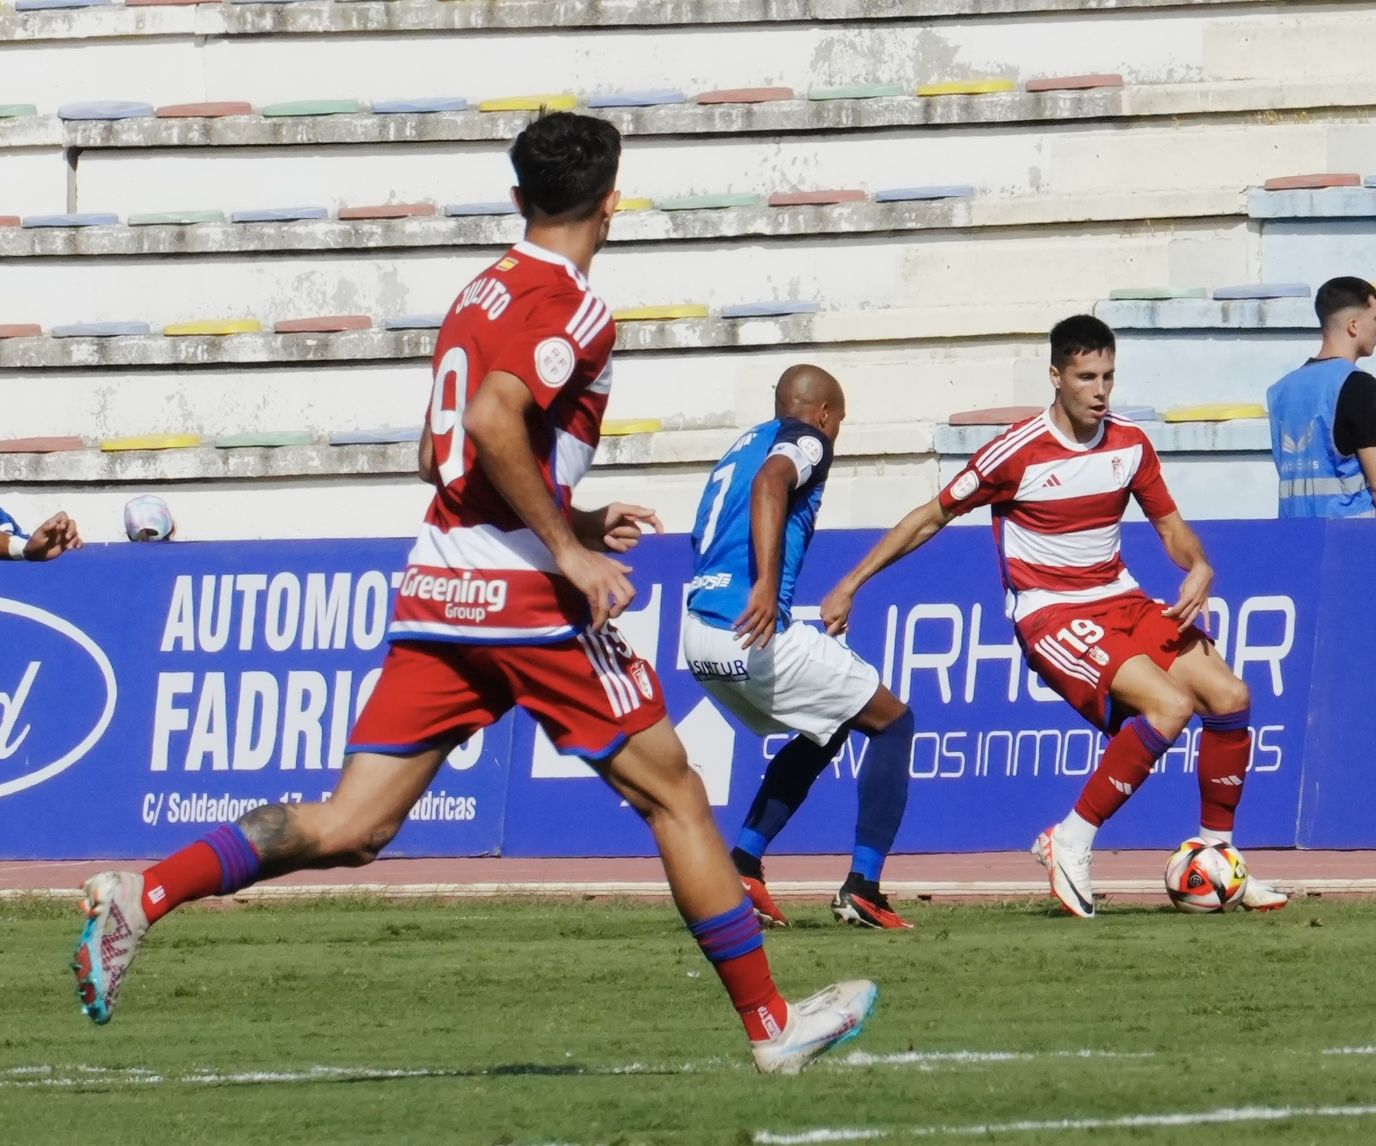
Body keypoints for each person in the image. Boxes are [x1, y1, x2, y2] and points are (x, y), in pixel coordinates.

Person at [71, 112, 876, 1073]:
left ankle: (145, 894)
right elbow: (495, 421)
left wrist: (575, 519)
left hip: (438, 587)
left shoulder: (474, 295)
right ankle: (771, 1027)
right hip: (523, 600)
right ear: (612, 202)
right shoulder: (575, 304)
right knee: (677, 796)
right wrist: (566, 550)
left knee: (354, 824)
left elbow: (436, 454)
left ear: (518, 197)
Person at [820, 315, 1287, 919]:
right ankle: (1070, 839)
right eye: (1086, 377)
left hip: (1122, 598)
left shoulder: (1129, 444)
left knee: (1230, 696)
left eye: (1108, 376)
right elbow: (930, 516)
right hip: (1052, 612)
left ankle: (1219, 857)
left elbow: (1171, 529)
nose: (1100, 390)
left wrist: (1198, 564)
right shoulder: (1016, 452)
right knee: (1169, 707)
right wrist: (850, 584)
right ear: (1056, 377)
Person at [682, 365, 918, 931]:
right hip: (750, 628)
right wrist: (766, 585)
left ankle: (743, 866)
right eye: (840, 424)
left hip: (699, 630)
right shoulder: (808, 438)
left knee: (831, 723)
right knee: (893, 722)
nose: (835, 435)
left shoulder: (743, 444)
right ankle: (864, 889)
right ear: (825, 413)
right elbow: (772, 484)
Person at [1266, 276, 1376, 518]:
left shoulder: (1281, 390)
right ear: (1354, 325)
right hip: (1351, 535)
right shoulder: (1359, 386)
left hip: (1293, 535)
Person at [1, 506, 81, 561]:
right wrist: (24, 548)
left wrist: (61, 537)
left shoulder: (4, 519)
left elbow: (31, 545)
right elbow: (25, 547)